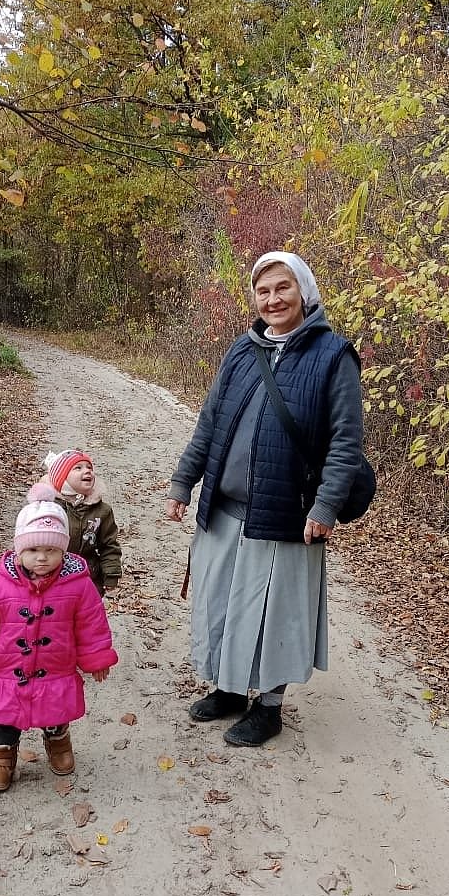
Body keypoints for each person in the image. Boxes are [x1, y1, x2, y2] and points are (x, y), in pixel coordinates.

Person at [165, 250, 363, 747]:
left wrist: (325, 506)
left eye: (283, 288)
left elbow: (346, 441)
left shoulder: (333, 356)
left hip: (285, 514)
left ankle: (269, 707)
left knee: (275, 613)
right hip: (225, 511)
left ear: (304, 293)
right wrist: (182, 483)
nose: (273, 299)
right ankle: (229, 690)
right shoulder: (241, 351)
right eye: (263, 290)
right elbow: (209, 423)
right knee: (221, 604)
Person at [0, 484, 118, 791]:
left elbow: (92, 624)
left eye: (51, 550)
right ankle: (2, 754)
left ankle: (58, 740)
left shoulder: (78, 586)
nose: (42, 558)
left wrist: (96, 658)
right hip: (6, 670)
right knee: (3, 717)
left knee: (55, 710)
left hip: (55, 667)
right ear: (18, 549)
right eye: (33, 550)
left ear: (63, 550)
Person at [40, 449, 123, 597]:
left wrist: (111, 574)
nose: (87, 471)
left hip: (87, 579)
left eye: (89, 467)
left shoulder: (102, 511)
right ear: (62, 478)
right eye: (78, 468)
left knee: (86, 617)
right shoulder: (47, 507)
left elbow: (108, 545)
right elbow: (31, 541)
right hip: (52, 577)